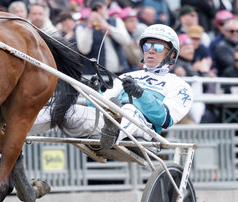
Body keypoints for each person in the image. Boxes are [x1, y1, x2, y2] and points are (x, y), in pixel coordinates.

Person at [30, 24, 193, 149]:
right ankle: (17, 128)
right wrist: (93, 92)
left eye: (157, 47)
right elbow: (102, 105)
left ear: (171, 54)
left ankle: (113, 133)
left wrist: (140, 94)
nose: (150, 51)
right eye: (146, 46)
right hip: (106, 122)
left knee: (129, 109)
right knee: (62, 110)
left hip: (142, 129)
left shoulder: (179, 86)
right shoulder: (129, 76)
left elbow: (165, 119)